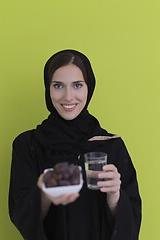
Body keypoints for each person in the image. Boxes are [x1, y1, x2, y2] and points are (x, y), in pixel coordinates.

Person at [8, 49, 142, 240]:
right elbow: (20, 214)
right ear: (48, 88)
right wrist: (44, 194)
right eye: (58, 86)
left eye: (77, 85)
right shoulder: (28, 145)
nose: (68, 97)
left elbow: (132, 221)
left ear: (90, 87)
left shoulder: (112, 146)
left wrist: (114, 195)